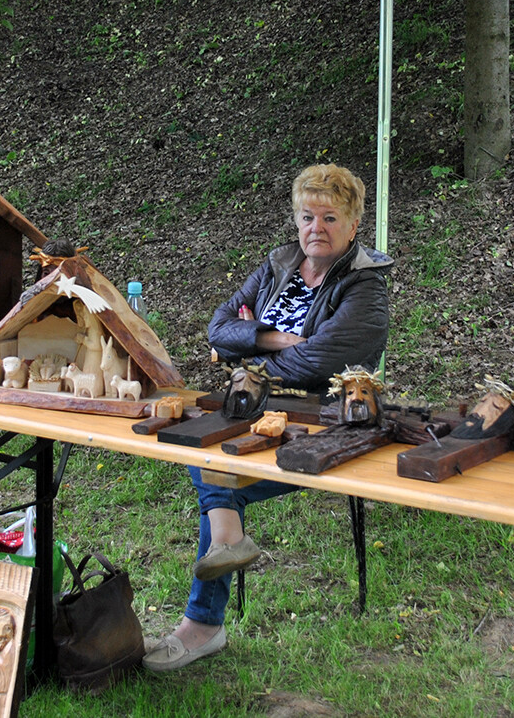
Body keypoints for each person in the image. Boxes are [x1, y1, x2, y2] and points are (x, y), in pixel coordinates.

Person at [143, 163, 391, 672]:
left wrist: (249, 354)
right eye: (307, 217)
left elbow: (322, 362)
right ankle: (224, 551)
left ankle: (204, 620)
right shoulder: (278, 265)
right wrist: (278, 339)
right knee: (197, 443)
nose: (316, 228)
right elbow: (217, 328)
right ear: (296, 221)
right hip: (251, 405)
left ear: (353, 225)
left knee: (217, 476)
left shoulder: (365, 286)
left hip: (323, 419)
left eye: (329, 218)